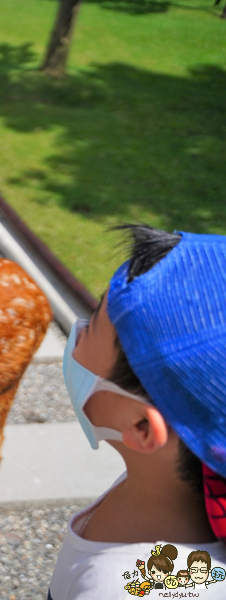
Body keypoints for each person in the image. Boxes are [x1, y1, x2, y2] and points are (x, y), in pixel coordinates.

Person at [48, 225, 226, 599]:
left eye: (91, 327)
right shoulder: (158, 486)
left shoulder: (120, 589)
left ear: (142, 426)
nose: (75, 335)